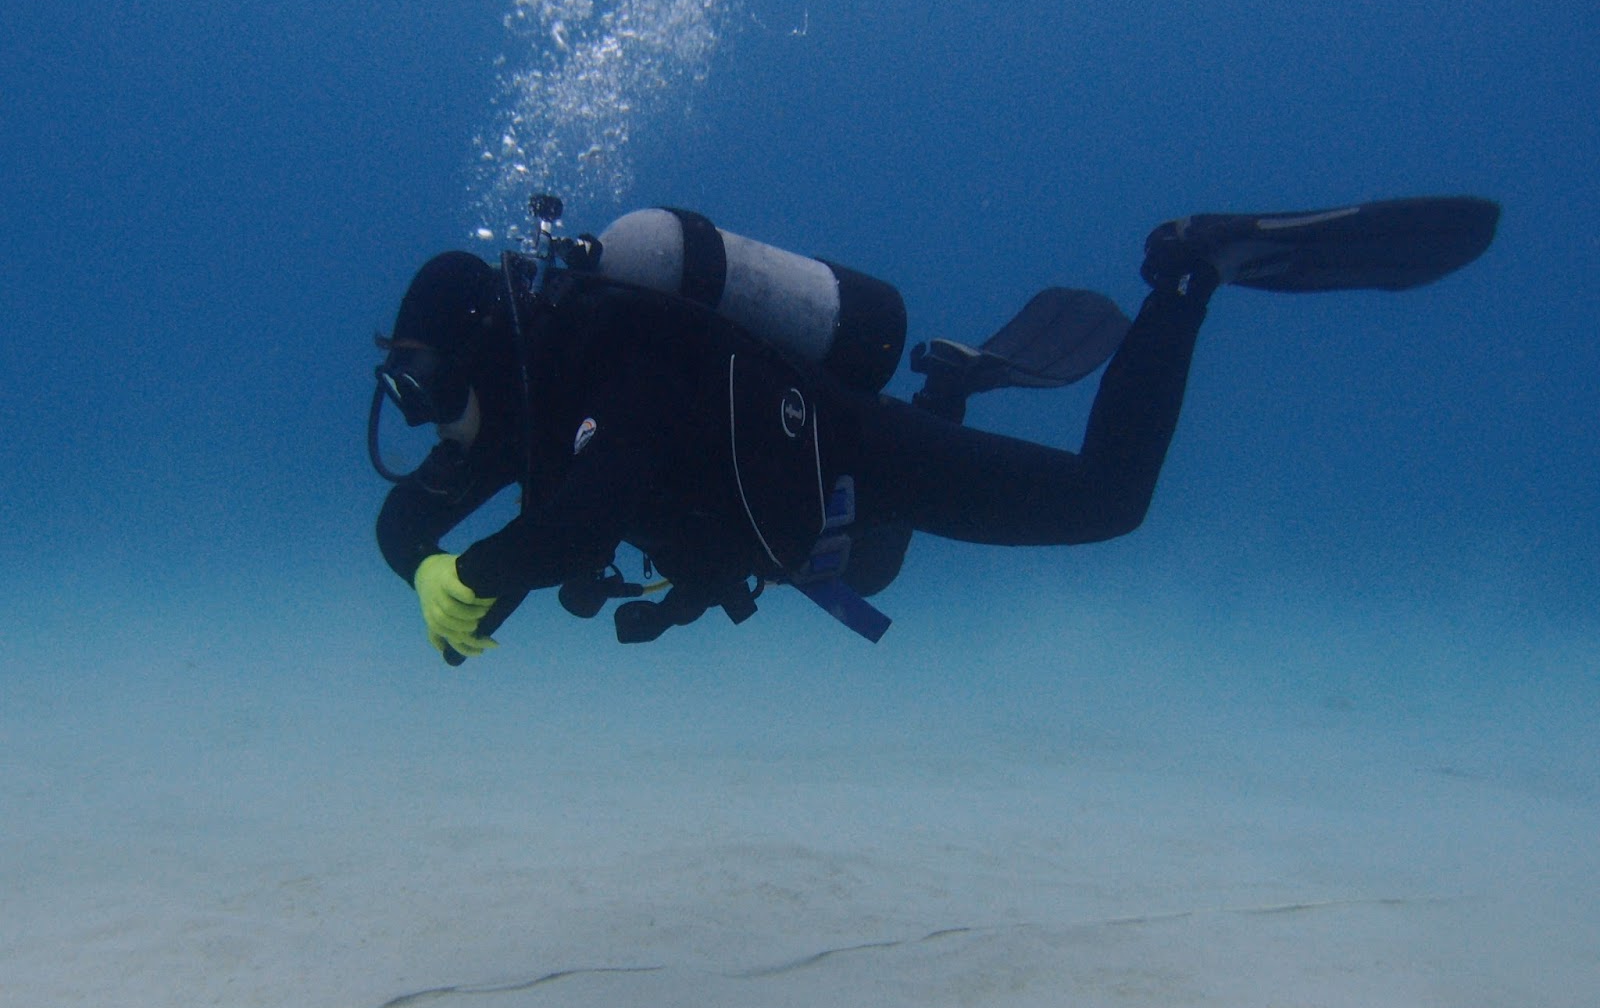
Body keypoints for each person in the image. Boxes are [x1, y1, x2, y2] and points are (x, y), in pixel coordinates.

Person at [370, 196, 1499, 660]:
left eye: (424, 384)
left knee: (1104, 501)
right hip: (793, 518)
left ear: (485, 350)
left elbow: (586, 520)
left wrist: (476, 572)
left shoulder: (614, 361)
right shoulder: (516, 407)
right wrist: (429, 567)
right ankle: (950, 386)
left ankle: (1188, 274)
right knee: (869, 564)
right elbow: (402, 522)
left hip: (850, 447)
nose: (422, 417)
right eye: (406, 388)